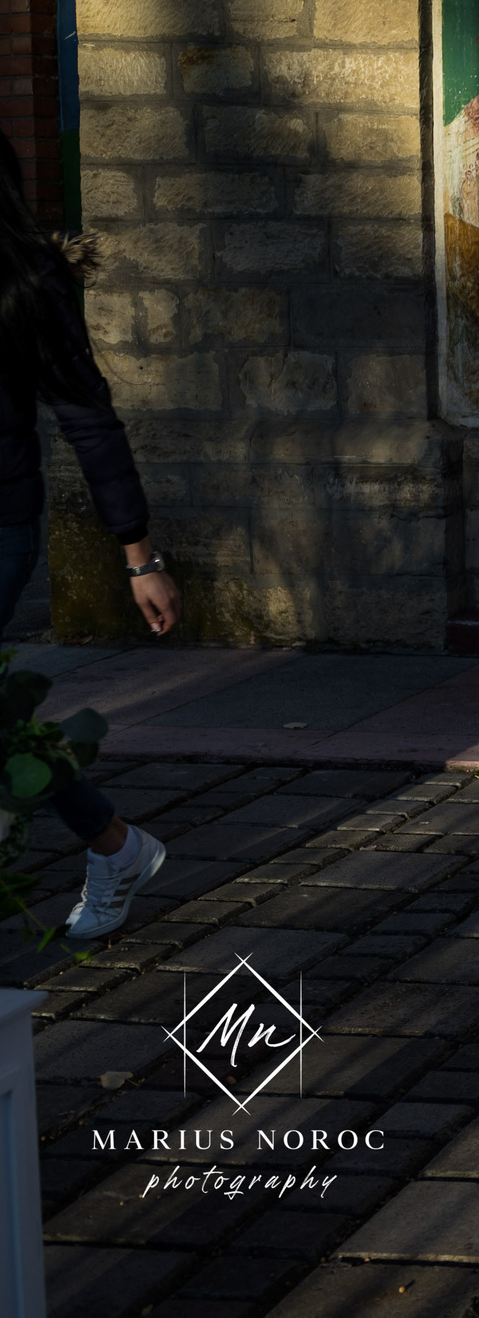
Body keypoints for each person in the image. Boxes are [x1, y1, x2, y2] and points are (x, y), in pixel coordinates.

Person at [0, 156, 177, 941]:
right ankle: (116, 846)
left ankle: (114, 848)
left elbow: (89, 420)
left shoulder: (28, 282)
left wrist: (139, 557)